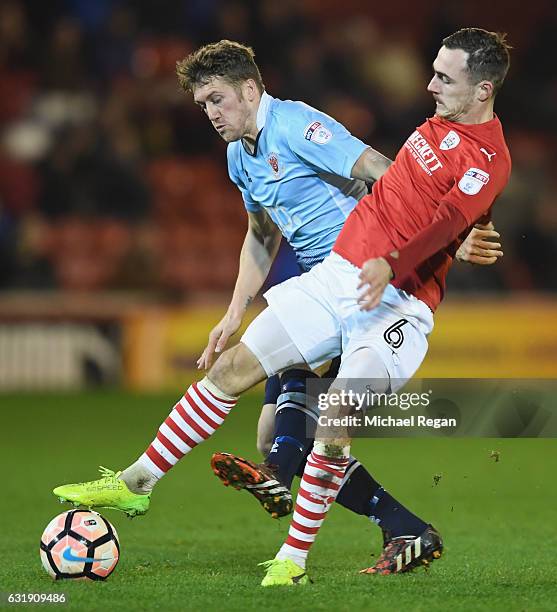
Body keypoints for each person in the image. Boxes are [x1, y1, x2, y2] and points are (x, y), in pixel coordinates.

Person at [52, 28, 511, 585]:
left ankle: (290, 540)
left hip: (392, 295)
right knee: (246, 389)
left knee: (319, 422)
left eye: (216, 100)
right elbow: (263, 235)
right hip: (333, 278)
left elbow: (386, 177)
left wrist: (439, 241)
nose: (210, 114)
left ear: (249, 90)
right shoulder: (245, 155)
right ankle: (143, 482)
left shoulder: (301, 126)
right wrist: (232, 312)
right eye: (201, 105)